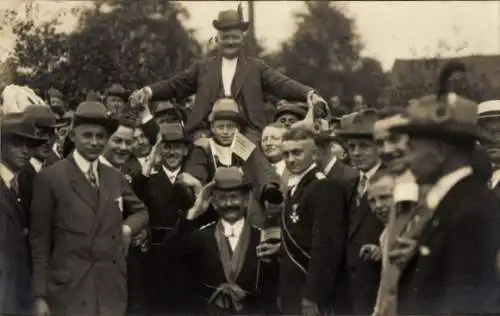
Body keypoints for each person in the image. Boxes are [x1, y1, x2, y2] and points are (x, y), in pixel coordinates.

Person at [386, 88, 500, 314]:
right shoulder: (455, 199)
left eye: (414, 149)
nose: (407, 159)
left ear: (440, 152)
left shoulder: (470, 210)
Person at [129, 8, 325, 139]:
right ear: (217, 38)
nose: (230, 42)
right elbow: (175, 85)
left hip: (248, 134)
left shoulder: (257, 68)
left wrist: (309, 94)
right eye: (225, 37)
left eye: (235, 37)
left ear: (242, 38)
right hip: (205, 134)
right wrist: (148, 92)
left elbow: (282, 83)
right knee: (192, 170)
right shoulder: (202, 67)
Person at [30, 101, 149, 316]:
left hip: (110, 288)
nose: (94, 142)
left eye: (100, 137)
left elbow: (141, 211)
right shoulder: (51, 178)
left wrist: (127, 229)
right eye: (87, 136)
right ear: (73, 136)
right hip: (69, 291)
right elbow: (40, 241)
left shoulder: (114, 177)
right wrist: (39, 295)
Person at [167, 167, 279, 315]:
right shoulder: (200, 237)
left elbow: (272, 292)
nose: (228, 204)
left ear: (246, 200)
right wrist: (194, 211)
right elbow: (169, 255)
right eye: (222, 198)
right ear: (213, 203)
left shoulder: (263, 239)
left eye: (234, 197)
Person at [182, 98, 283, 227]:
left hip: (242, 205)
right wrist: (193, 181)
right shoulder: (204, 147)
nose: (225, 132)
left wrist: (269, 185)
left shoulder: (245, 146)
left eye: (230, 126)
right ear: (212, 128)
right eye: (220, 127)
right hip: (213, 206)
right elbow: (197, 168)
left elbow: (260, 167)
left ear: (238, 128)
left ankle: (269, 190)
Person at [278, 127, 347, 315]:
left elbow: (326, 247)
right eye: (286, 154)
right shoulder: (298, 187)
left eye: (297, 153)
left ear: (314, 153)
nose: (290, 160)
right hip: (292, 289)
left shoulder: (324, 188)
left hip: (309, 293)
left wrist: (312, 296)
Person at [135, 123, 195, 313]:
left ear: (185, 151)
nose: (172, 153)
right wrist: (150, 162)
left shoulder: (192, 178)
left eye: (177, 147)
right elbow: (135, 197)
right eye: (167, 147)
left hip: (186, 255)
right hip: (156, 255)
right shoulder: (149, 179)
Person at [335, 109, 385, 314]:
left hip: (377, 282)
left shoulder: (392, 182)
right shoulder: (350, 183)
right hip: (349, 289)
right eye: (352, 147)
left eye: (364, 146)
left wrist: (383, 249)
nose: (356, 153)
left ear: (380, 147)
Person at [0, 112, 47, 315]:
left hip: (19, 290)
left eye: (29, 145)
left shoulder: (25, 182)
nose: (25, 151)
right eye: (17, 144)